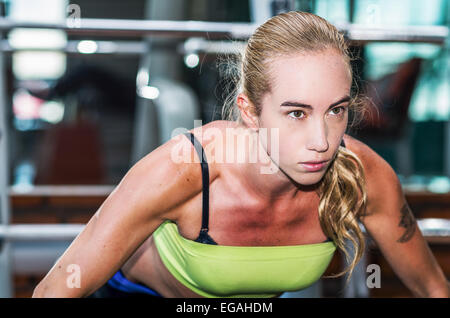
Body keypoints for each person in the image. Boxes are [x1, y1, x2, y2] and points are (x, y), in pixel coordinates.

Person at [32, 11, 449, 298]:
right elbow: (55, 288)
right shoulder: (187, 170)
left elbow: (433, 287)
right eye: (296, 113)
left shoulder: (362, 175)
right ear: (249, 110)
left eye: (336, 110)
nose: (322, 141)